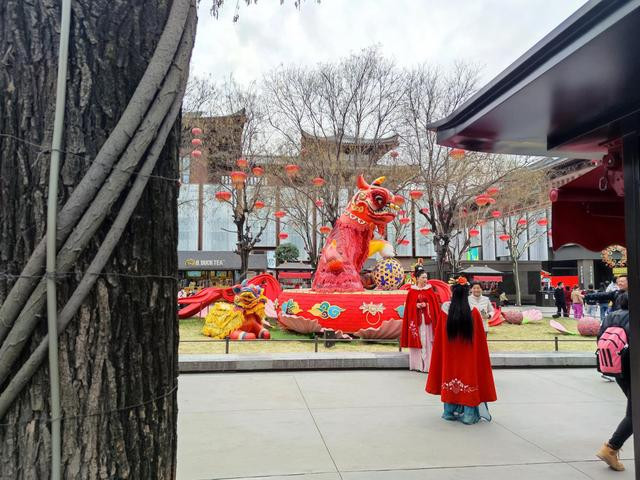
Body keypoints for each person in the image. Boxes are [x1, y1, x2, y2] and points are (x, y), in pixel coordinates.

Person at [426, 277, 497, 424]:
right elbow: (480, 342)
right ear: (467, 294)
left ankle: (448, 411)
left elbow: (440, 338)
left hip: (449, 357)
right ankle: (468, 415)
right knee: (468, 379)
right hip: (468, 358)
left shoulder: (445, 311)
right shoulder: (473, 312)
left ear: (452, 293)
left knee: (450, 378)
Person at [595, 293, 631, 471]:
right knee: (635, 413)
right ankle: (611, 448)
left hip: (617, 369)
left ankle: (611, 448)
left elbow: (599, 339)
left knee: (634, 410)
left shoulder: (610, 316)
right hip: (633, 368)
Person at [401, 266, 442, 372]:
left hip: (428, 321)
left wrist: (427, 305)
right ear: (417, 278)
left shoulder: (430, 291)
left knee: (428, 341)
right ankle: (417, 365)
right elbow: (409, 307)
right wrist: (416, 305)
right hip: (416, 321)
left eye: (426, 277)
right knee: (417, 339)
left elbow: (435, 306)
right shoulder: (412, 292)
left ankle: (428, 365)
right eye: (423, 277)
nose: (425, 279)